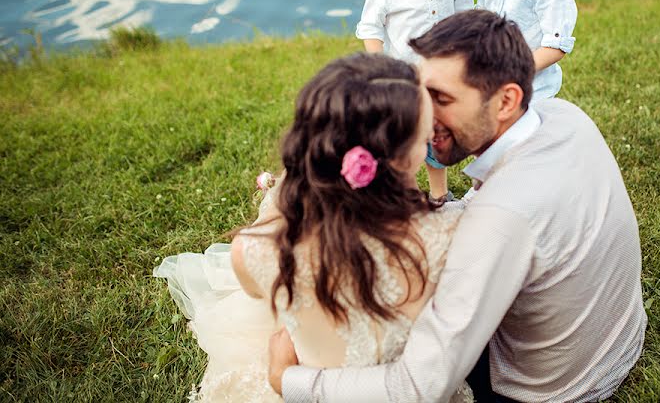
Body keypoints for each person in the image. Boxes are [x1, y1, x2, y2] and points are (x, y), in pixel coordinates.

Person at [271, 9, 647, 402]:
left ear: (506, 101)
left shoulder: (501, 220)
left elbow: (417, 388)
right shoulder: (563, 116)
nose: (420, 113)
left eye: (441, 98)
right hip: (618, 337)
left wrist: (288, 380)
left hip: (551, 388)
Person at [155, 53, 472, 402]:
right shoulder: (450, 237)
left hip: (303, 389)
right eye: (424, 136)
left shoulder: (251, 251)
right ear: (407, 157)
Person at [356, 0, 475, 202]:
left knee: (437, 138)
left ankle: (439, 195)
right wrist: (380, 67)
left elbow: (466, 19)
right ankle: (403, 193)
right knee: (404, 139)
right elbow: (370, 27)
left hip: (442, 78)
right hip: (403, 79)